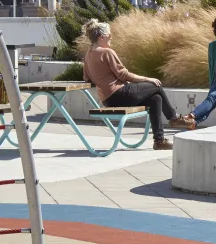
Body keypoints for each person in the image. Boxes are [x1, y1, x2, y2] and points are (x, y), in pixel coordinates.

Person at [81, 20, 193, 150]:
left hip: (108, 100)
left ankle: (159, 140)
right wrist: (148, 78)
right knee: (156, 85)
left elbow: (87, 78)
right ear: (102, 37)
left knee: (156, 99)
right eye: (109, 34)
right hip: (120, 93)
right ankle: (173, 118)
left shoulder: (88, 55)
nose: (111, 37)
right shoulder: (107, 52)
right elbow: (123, 74)